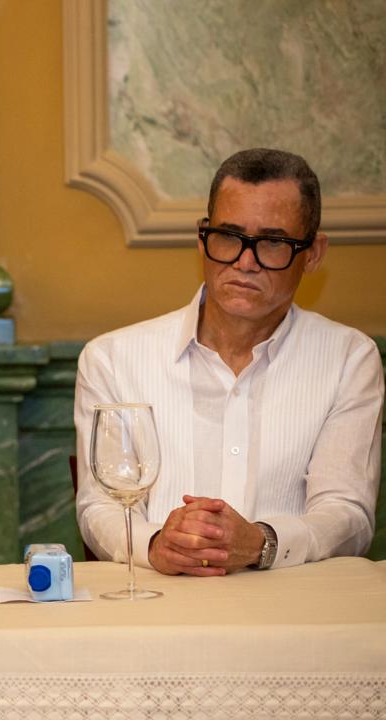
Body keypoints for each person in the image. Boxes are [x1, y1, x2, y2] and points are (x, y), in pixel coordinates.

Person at [75, 148, 383, 575]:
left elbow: (348, 514)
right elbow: (101, 506)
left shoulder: (349, 359)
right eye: (229, 236)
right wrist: (156, 545)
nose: (244, 261)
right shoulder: (112, 359)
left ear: (313, 253)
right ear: (203, 237)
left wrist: (263, 542)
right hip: (159, 601)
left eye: (273, 242)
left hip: (291, 605)